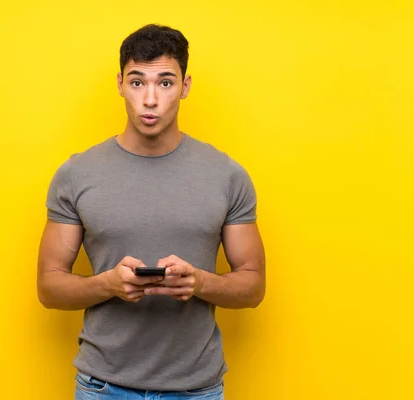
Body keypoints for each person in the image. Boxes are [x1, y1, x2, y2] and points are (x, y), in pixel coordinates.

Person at [37, 24, 266, 400]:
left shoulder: (227, 175)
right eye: (137, 82)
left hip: (196, 389)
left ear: (185, 87)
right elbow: (49, 287)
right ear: (120, 84)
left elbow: (253, 286)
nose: (150, 100)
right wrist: (106, 285)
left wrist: (199, 283)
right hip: (102, 388)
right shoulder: (76, 174)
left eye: (165, 83)